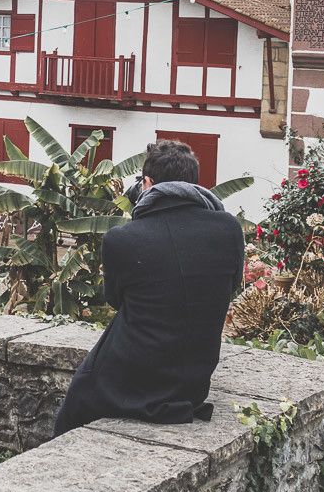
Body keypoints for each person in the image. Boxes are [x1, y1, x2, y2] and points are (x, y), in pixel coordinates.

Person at [53, 139, 244, 436]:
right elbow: (231, 288)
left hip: (132, 379)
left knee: (76, 402)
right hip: (192, 384)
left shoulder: (122, 239)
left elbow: (115, 300)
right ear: (194, 183)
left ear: (147, 183)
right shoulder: (229, 229)